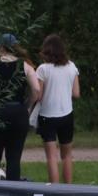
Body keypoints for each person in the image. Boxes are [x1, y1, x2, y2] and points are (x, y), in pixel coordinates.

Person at [0, 33, 41, 181]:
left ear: (1, 47)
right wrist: (28, 105)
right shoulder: (25, 66)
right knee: (13, 159)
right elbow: (37, 90)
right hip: (18, 113)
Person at [34, 34, 80, 183]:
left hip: (47, 116)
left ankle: (54, 192)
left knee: (51, 157)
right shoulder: (71, 66)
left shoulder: (42, 69)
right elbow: (76, 93)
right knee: (67, 155)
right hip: (66, 115)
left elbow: (38, 96)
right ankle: (68, 189)